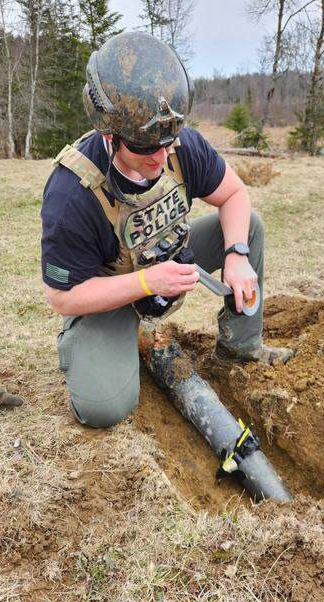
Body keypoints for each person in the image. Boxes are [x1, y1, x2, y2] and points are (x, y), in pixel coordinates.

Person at [39, 31, 292, 428]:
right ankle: (103, 344)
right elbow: (61, 296)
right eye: (146, 148)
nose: (162, 155)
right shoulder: (72, 193)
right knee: (103, 408)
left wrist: (237, 255)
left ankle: (240, 350)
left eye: (169, 142)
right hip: (109, 293)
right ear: (111, 134)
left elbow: (235, 195)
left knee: (249, 228)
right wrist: (145, 283)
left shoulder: (180, 144)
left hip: (167, 256)